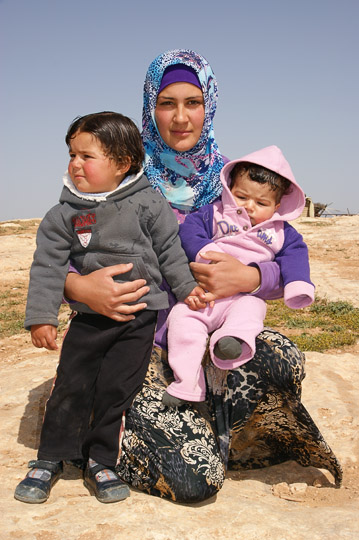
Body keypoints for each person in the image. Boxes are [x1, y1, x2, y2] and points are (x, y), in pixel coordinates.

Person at [58, 50, 343, 502]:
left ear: (209, 105)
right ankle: (108, 434)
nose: (180, 117)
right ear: (150, 107)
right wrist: (79, 287)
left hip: (216, 324)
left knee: (278, 357)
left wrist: (251, 279)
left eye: (193, 102)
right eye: (167, 103)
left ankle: (207, 416)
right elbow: (65, 253)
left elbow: (281, 250)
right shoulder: (117, 177)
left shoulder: (238, 180)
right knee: (194, 479)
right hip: (138, 334)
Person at [14, 111, 206, 504]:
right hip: (87, 318)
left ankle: (102, 461)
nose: (75, 164)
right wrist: (41, 317)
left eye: (87, 156)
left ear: (122, 164)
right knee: (71, 384)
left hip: (139, 320)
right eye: (71, 154)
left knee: (117, 389)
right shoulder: (62, 215)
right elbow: (48, 266)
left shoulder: (148, 203)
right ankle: (51, 457)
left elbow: (170, 252)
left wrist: (186, 289)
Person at [163, 145, 315, 407]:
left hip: (243, 296)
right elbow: (190, 231)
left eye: (262, 203)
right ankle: (187, 382)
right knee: (182, 318)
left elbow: (296, 257)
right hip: (205, 294)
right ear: (230, 190)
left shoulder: (281, 232)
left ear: (278, 205)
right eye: (242, 197)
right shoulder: (215, 213)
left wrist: (298, 287)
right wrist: (206, 253)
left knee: (250, 312)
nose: (249, 208)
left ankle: (231, 341)